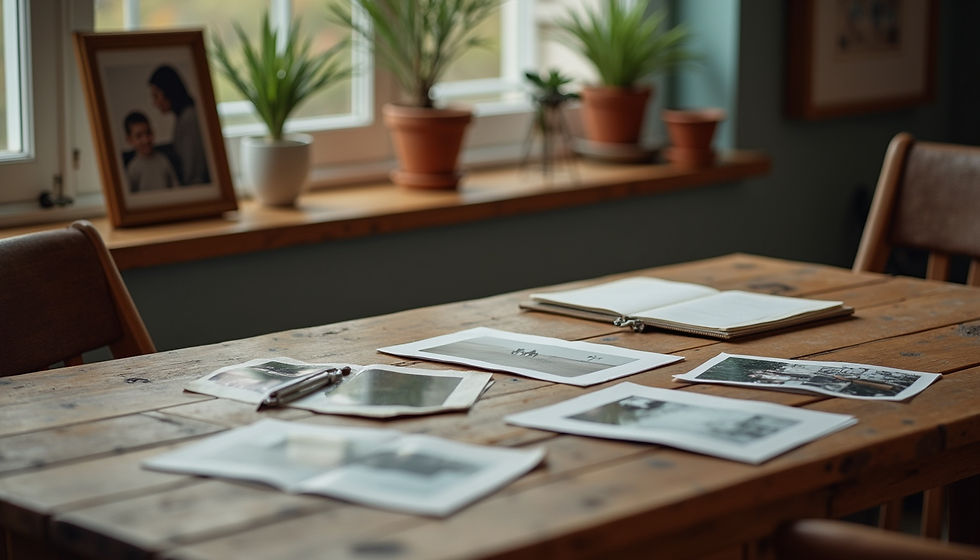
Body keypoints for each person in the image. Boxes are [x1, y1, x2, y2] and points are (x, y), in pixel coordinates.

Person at [148, 64, 210, 185]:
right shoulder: (183, 118)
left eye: (156, 96)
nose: (155, 103)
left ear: (168, 91)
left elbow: (193, 173)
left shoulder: (189, 120)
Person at [122, 111, 179, 193]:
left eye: (148, 133)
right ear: (130, 140)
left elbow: (176, 187)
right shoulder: (132, 169)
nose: (146, 140)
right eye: (139, 136)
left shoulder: (164, 160)